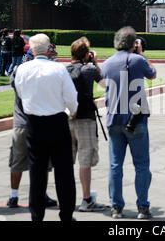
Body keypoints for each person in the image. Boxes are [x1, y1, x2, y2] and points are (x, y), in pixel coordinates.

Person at [15, 34, 78, 221]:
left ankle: (37, 215)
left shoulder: (23, 69)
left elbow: (20, 93)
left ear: (31, 50)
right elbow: (71, 97)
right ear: (49, 48)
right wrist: (72, 111)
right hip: (57, 121)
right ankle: (66, 214)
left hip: (34, 122)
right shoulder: (58, 68)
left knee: (37, 172)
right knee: (64, 171)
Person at [101, 26, 157, 219]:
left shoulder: (107, 64)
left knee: (115, 165)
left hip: (114, 118)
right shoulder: (138, 60)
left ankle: (116, 207)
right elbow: (153, 74)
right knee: (141, 165)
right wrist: (140, 53)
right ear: (134, 43)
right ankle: (143, 207)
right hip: (136, 119)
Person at [6, 52, 58, 209]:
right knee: (42, 163)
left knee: (17, 161)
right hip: (40, 123)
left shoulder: (19, 73)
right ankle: (40, 194)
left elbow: (14, 83)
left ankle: (13, 196)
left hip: (21, 123)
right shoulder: (47, 74)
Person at [67, 37, 106, 212]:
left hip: (66, 118)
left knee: (67, 162)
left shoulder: (64, 70)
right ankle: (86, 199)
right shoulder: (89, 70)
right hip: (86, 119)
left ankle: (66, 199)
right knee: (85, 161)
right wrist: (96, 62)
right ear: (86, 55)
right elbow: (105, 84)